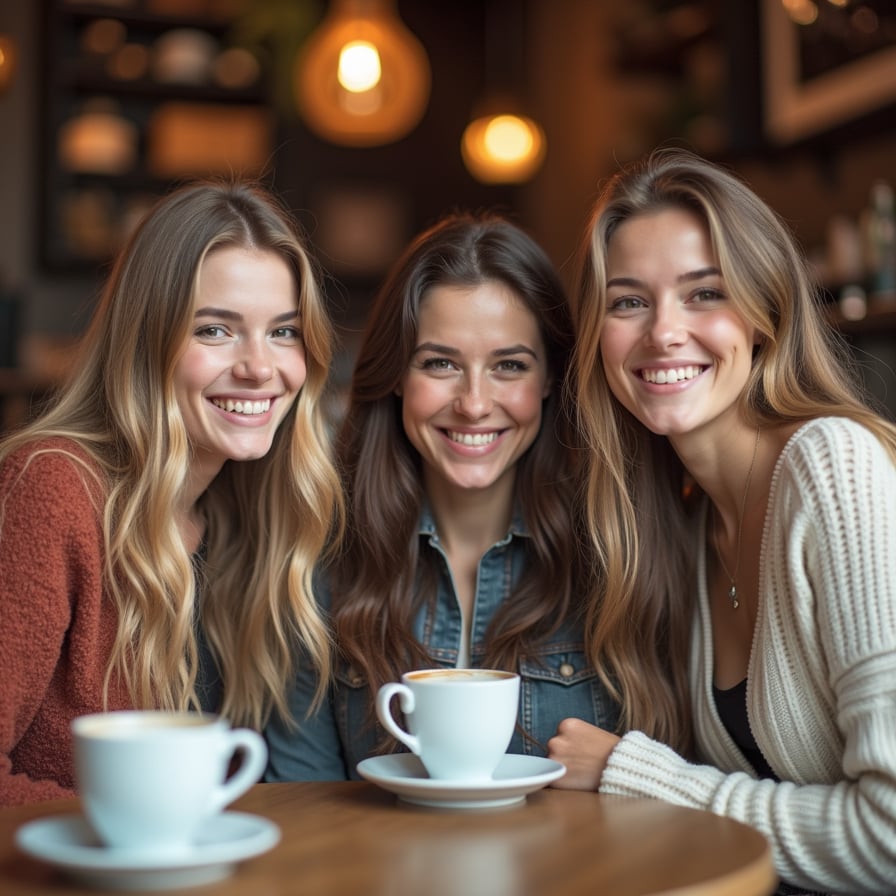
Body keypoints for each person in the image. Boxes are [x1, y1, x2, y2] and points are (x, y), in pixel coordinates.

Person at [549, 147, 896, 894]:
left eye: (704, 293)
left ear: (765, 311)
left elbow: (891, 838)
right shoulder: (686, 519)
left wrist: (635, 776)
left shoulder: (832, 469)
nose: (663, 332)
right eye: (628, 301)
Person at [0, 180, 343, 805]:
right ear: (146, 340)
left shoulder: (244, 513)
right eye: (215, 331)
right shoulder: (52, 488)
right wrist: (133, 831)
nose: (259, 367)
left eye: (284, 332)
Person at [265, 212, 620, 780]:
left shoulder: (613, 556)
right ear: (397, 375)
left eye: (509, 365)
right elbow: (304, 803)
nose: (474, 403)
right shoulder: (318, 561)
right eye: (440, 364)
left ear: (551, 377)